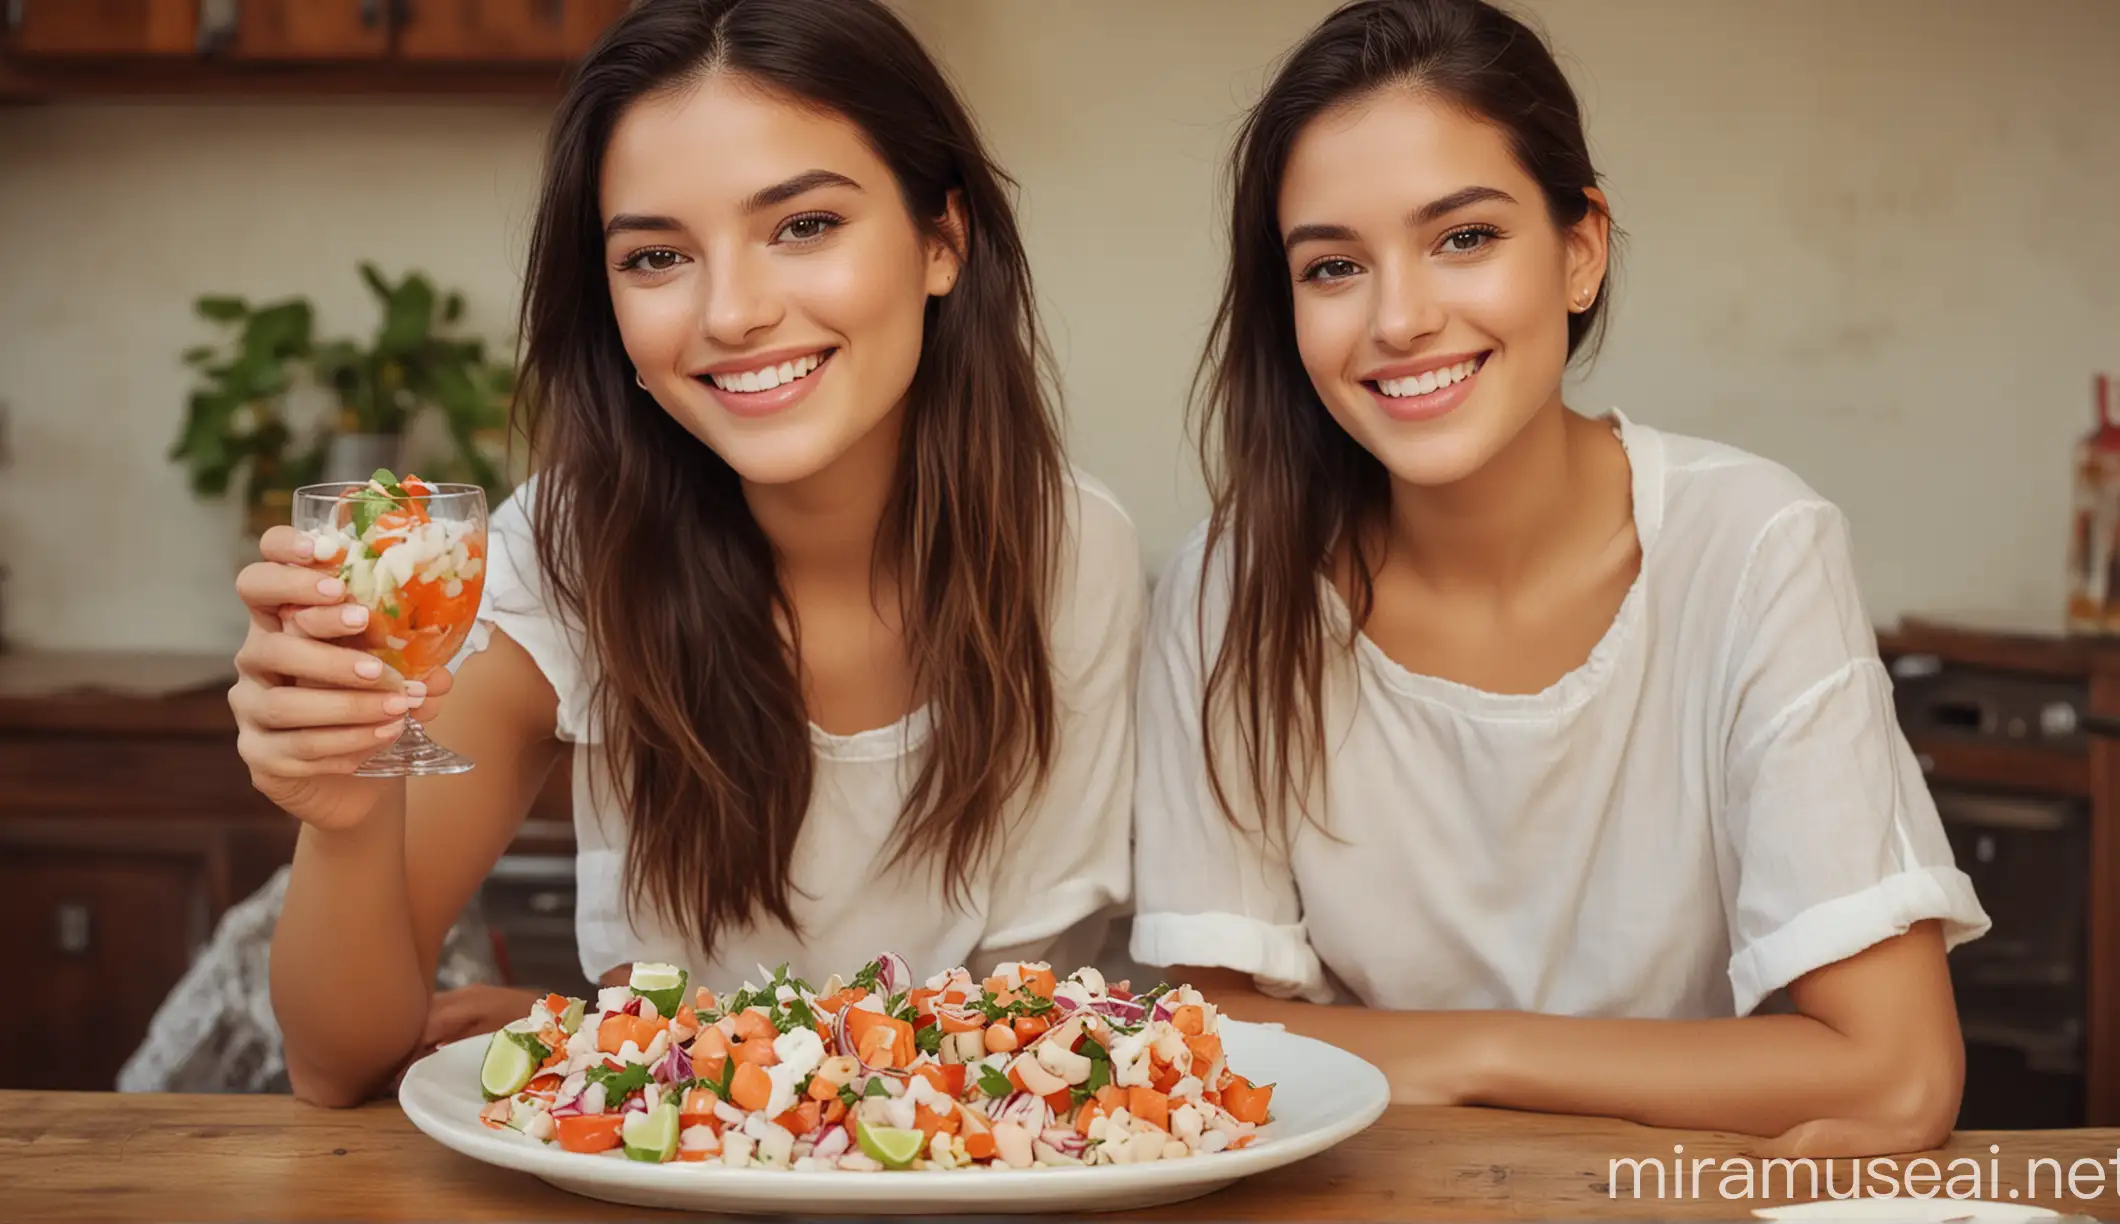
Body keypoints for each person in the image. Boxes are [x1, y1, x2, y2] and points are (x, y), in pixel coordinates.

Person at [230, 0, 1142, 1108]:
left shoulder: (1068, 551)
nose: (733, 312)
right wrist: (350, 800)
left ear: (943, 241)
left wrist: (636, 1034)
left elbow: (1029, 1048)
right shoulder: (566, 552)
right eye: (657, 255)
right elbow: (340, 1064)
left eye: (804, 226)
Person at [1130, 0, 1988, 1157]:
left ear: (1580, 248)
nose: (1401, 317)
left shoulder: (1753, 547)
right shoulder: (1229, 591)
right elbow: (1205, 1049)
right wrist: (1703, 1073)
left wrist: (1475, 1054)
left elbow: (1895, 1079)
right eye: (1333, 266)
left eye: (1465, 238)